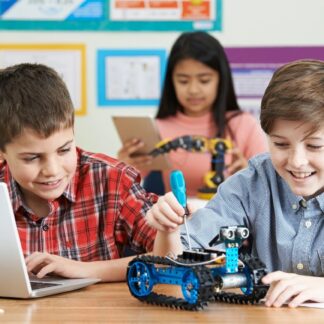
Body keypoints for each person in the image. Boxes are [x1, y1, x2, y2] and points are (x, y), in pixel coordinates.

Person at [146, 59, 324, 307]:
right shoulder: (251, 184)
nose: (297, 161)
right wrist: (169, 229)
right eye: (281, 144)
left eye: (315, 146)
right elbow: (176, 270)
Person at [0, 63, 157, 282]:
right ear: (2, 154)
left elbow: (167, 257)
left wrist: (86, 270)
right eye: (32, 158)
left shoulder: (112, 180)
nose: (52, 170)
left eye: (64, 150)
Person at [118, 31, 267, 196]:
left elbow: (269, 188)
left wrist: (249, 175)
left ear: (221, 79)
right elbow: (125, 192)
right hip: (176, 219)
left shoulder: (244, 125)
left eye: (204, 80)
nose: (193, 90)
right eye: (183, 81)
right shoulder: (156, 129)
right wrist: (122, 168)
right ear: (171, 81)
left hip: (232, 218)